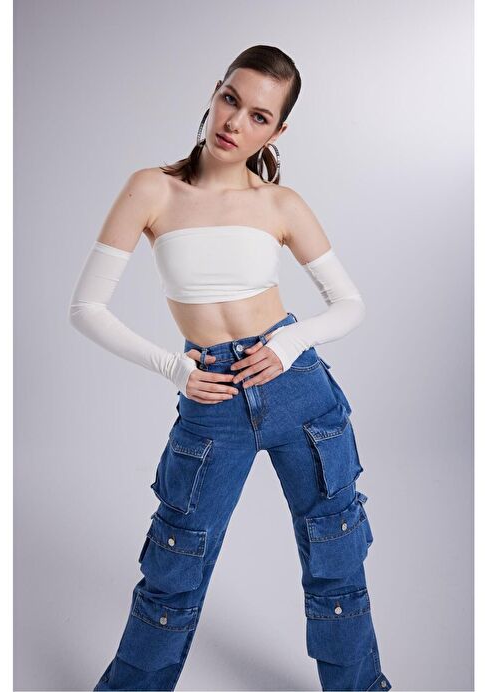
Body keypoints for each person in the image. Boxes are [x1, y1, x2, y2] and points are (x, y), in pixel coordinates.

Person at [68, 44, 392, 692]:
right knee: (174, 570)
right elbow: (86, 308)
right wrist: (174, 368)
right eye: (230, 100)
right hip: (211, 397)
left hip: (298, 392)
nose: (235, 122)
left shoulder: (281, 204)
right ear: (215, 92)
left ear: (277, 131)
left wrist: (290, 344)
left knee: (336, 564)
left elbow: (349, 303)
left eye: (258, 116)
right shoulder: (151, 188)